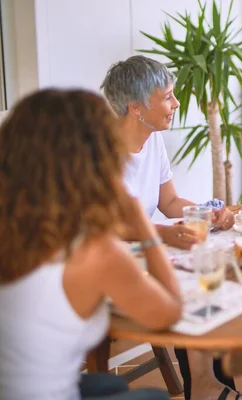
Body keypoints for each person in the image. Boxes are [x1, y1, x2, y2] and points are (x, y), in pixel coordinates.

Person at [0, 89, 182, 399]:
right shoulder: (93, 251)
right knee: (155, 396)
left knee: (109, 385)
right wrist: (143, 225)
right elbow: (169, 312)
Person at [101, 55, 242, 400]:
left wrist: (206, 212)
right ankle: (207, 388)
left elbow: (169, 203)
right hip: (110, 263)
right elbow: (104, 227)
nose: (176, 104)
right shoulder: (100, 154)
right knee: (194, 286)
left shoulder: (153, 141)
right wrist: (162, 234)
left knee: (214, 273)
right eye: (167, 97)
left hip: (147, 252)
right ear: (136, 107)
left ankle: (213, 385)